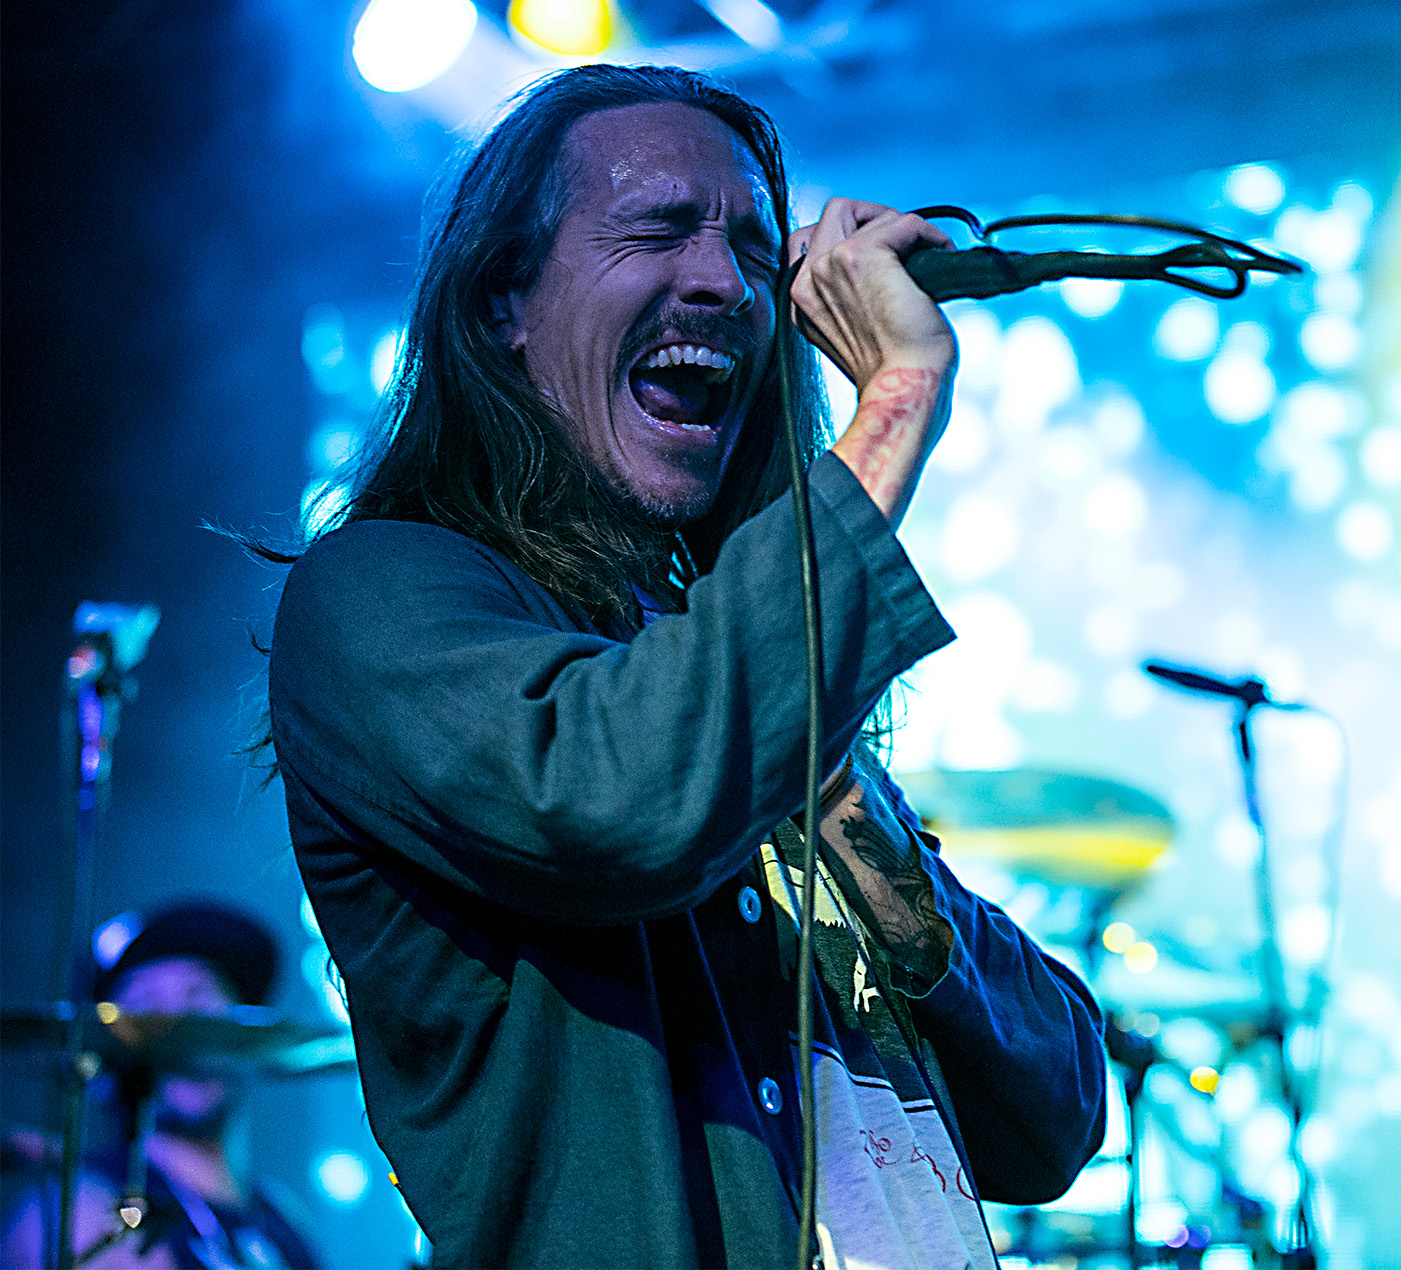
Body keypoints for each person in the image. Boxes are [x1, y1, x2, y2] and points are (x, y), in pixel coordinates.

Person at [264, 63, 1108, 1267]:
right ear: (507, 294)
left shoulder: (732, 667)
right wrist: (895, 403)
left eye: (756, 255)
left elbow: (1057, 1120)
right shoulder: (380, 595)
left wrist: (874, 854)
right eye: (657, 229)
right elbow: (617, 804)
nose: (720, 282)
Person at [1, 901, 323, 1270]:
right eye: (145, 1007)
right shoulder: (79, 1213)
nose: (176, 1031)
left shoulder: (282, 1216)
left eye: (199, 998)